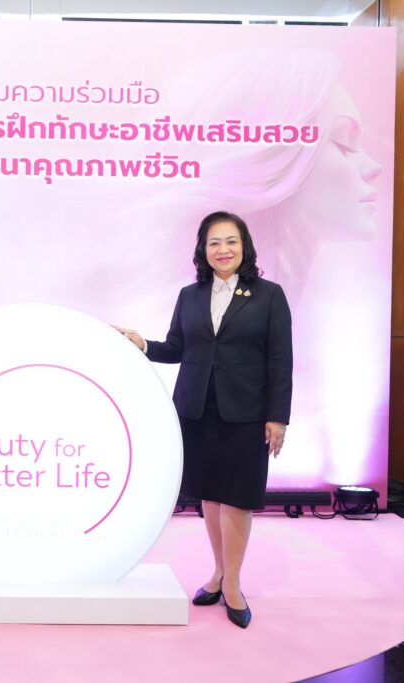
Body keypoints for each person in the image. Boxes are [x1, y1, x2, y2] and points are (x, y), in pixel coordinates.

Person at [118, 211, 292, 629]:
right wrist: (144, 345)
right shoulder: (190, 295)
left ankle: (233, 583)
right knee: (211, 497)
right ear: (203, 250)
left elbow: (280, 361)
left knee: (238, 498)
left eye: (231, 241)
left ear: (244, 246)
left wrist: (277, 417)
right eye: (214, 242)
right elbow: (178, 348)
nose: (223, 249)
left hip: (247, 414)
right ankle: (218, 572)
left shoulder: (269, 295)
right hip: (196, 411)